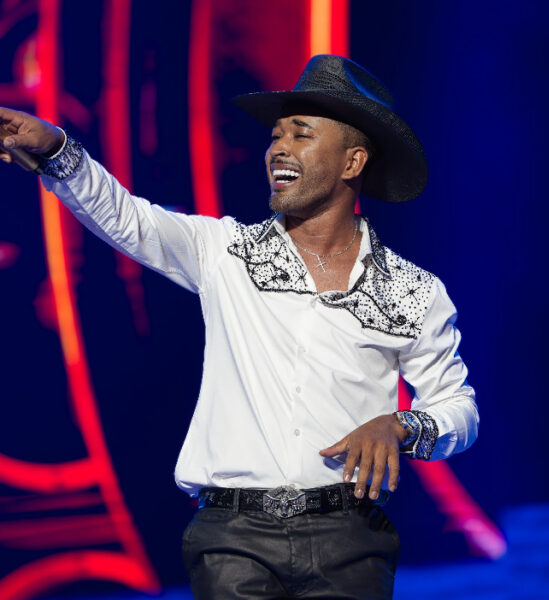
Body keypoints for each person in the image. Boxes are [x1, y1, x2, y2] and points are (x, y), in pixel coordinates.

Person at [0, 55, 478, 600]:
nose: (279, 149)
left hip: (351, 537)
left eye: (301, 135)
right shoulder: (225, 252)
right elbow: (127, 218)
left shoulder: (412, 290)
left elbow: (458, 407)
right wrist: (57, 150)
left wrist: (401, 425)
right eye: (276, 136)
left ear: (353, 161)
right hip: (233, 538)